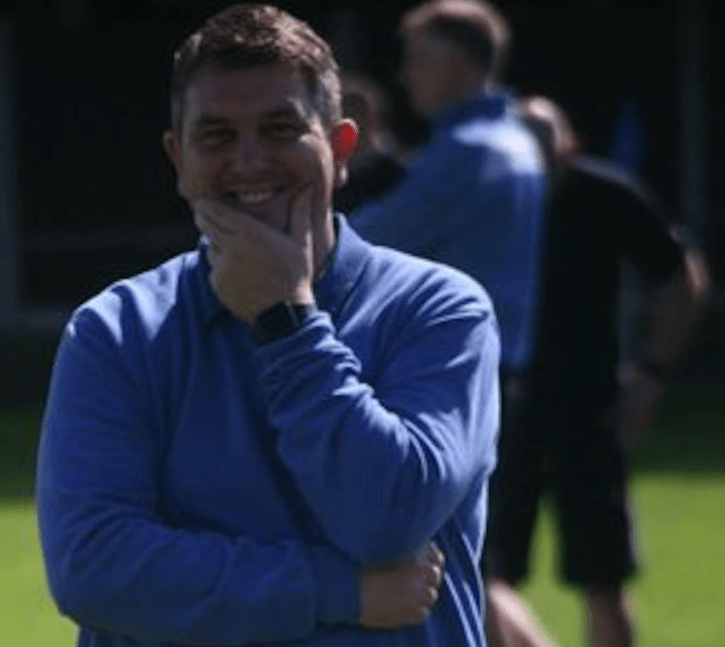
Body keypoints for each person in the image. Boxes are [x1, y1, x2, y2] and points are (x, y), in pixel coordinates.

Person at [35, 4, 502, 646]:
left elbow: (389, 519)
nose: (250, 160)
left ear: (340, 149)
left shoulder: (439, 310)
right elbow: (95, 568)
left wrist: (285, 320)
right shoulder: (116, 331)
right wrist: (341, 590)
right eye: (217, 136)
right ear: (178, 158)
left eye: (281, 129)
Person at [483, 95, 710, 647]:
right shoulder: (484, 197)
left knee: (602, 576)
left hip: (589, 406)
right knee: (484, 572)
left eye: (542, 141)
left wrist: (652, 374)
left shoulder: (605, 196)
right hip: (498, 406)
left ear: (569, 146)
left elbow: (681, 276)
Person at [350, 0, 546, 387]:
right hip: (499, 356)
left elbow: (366, 241)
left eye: (418, 59)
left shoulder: (468, 150)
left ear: (458, 63)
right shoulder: (517, 140)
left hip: (453, 365)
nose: (404, 75)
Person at [333, 72, 409, 213]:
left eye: (359, 114)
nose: (353, 124)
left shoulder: (396, 174)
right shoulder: (328, 178)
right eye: (346, 112)